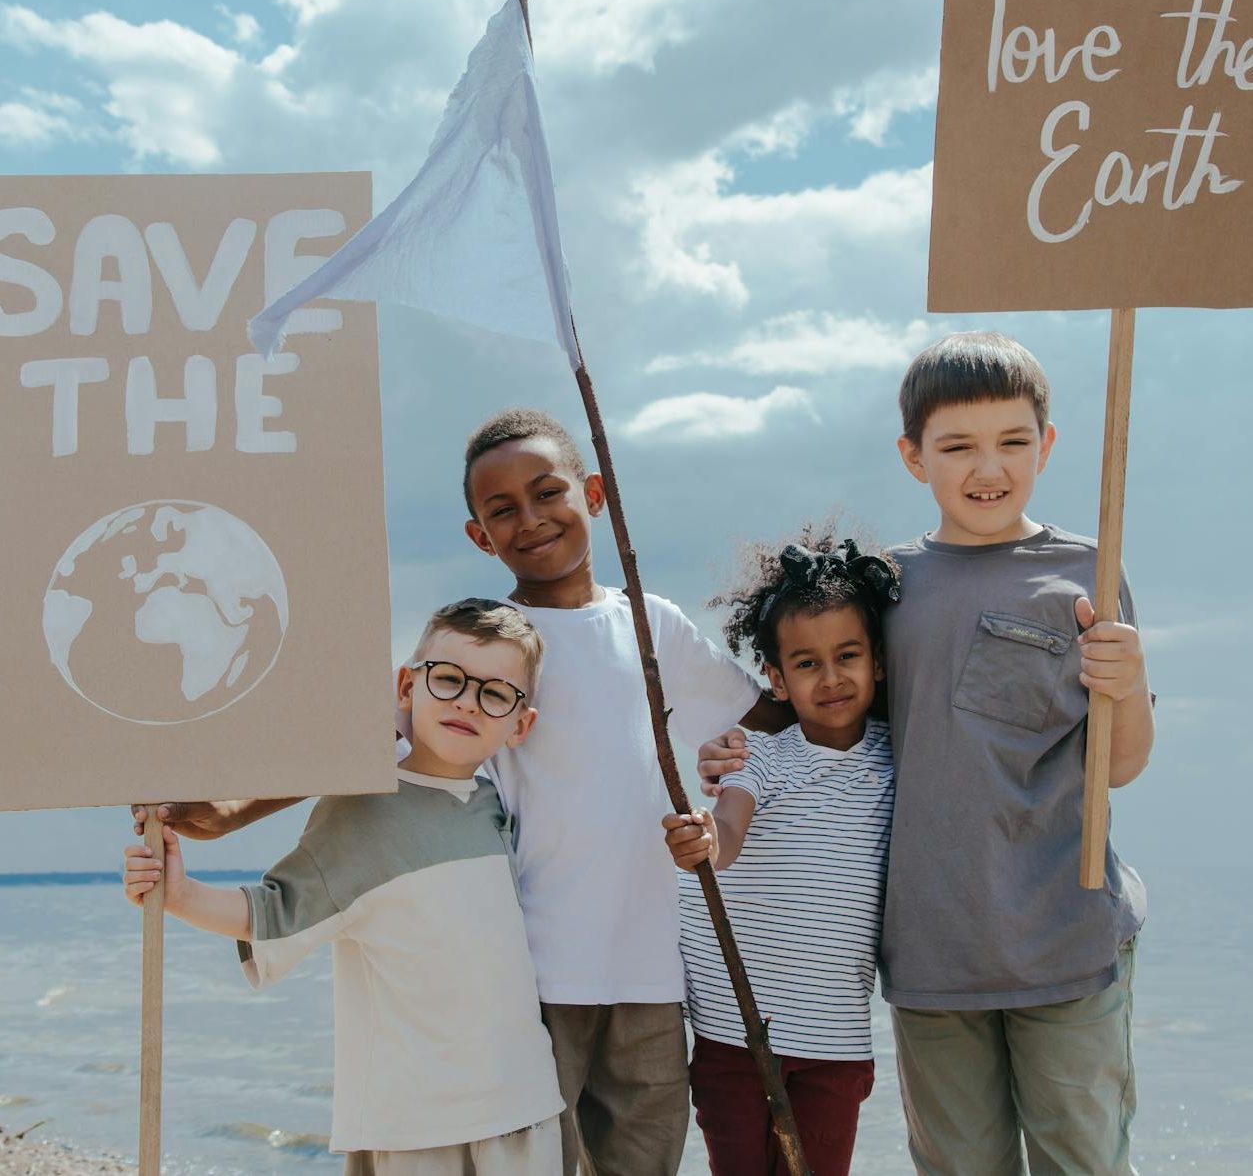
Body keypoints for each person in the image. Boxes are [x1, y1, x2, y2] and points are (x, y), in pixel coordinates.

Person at [136, 408, 790, 1176]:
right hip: (533, 976)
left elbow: (772, 719)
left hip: (650, 970)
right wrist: (228, 812)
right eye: (501, 509)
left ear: (595, 491)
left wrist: (757, 752)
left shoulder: (651, 625)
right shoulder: (489, 647)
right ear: (479, 535)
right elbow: (366, 743)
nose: (531, 518)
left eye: (548, 493)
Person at [695, 333, 1153, 1176]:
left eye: (1013, 441)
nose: (989, 467)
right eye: (957, 446)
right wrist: (737, 742)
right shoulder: (889, 587)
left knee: (1081, 1160)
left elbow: (1118, 764)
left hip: (1066, 936)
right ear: (913, 457)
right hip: (930, 951)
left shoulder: (1091, 568)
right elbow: (819, 702)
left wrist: (1126, 679)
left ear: (1046, 444)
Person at [124, 599, 564, 1176]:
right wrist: (178, 894)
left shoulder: (494, 808)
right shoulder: (361, 813)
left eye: (495, 694)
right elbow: (274, 911)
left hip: (523, 1107)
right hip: (415, 1123)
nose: (466, 702)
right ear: (406, 687)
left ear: (519, 725)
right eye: (450, 679)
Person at [662, 532, 900, 1176]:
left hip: (837, 1040)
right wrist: (706, 841)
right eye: (806, 663)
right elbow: (729, 829)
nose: (831, 678)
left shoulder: (901, 756)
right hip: (732, 1030)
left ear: (878, 661)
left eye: (847, 655)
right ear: (775, 677)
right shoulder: (757, 754)